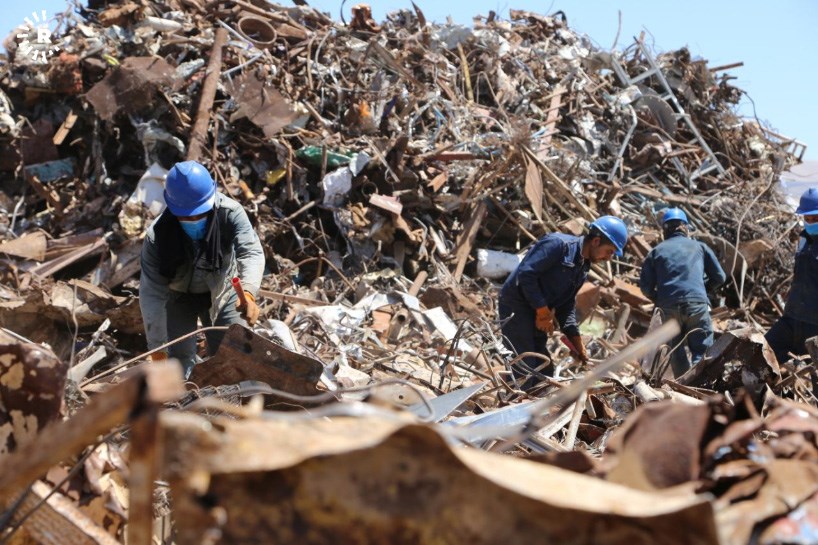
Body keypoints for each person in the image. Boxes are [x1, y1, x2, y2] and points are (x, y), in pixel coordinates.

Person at [139, 160, 265, 375]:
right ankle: (189, 402)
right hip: (178, 297)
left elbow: (251, 252)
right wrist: (158, 348)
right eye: (187, 216)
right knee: (177, 363)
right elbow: (151, 293)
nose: (194, 219)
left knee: (233, 353)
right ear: (173, 208)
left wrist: (249, 292)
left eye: (200, 213)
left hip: (223, 292)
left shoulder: (230, 213)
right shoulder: (157, 236)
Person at [498, 216, 628, 385]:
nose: (609, 258)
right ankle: (514, 406)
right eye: (609, 251)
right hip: (516, 306)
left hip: (537, 313)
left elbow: (566, 305)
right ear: (596, 241)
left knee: (544, 370)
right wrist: (542, 310)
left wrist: (576, 341)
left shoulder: (582, 266)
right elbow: (526, 275)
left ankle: (534, 406)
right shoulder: (557, 245)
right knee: (524, 366)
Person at [639, 207, 726, 377]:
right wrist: (702, 290)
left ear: (665, 230)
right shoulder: (700, 247)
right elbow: (720, 277)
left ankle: (683, 386)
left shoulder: (656, 252)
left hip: (668, 308)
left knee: (676, 352)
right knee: (702, 350)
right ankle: (699, 387)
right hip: (697, 306)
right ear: (685, 228)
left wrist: (660, 298)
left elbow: (645, 288)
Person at [765, 188, 818, 363]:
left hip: (814, 322)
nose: (810, 222)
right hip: (793, 316)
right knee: (765, 348)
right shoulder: (803, 240)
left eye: (815, 218)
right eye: (807, 218)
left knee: (814, 373)